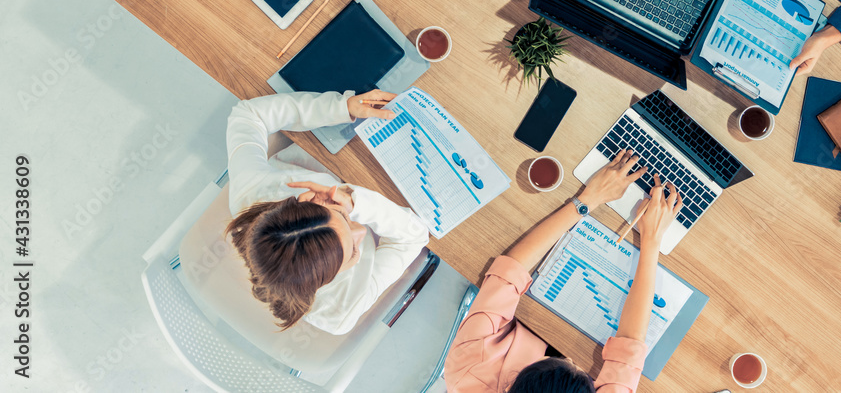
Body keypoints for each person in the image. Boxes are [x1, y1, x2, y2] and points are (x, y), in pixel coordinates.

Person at [444, 150, 683, 392]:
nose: (571, 359)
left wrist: (588, 199)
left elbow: (508, 273)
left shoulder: (467, 373)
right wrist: (652, 240)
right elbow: (629, 348)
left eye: (563, 363)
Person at [225, 89, 430, 334]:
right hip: (390, 197)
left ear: (307, 198)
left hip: (325, 149)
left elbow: (248, 115)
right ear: (331, 279)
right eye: (353, 252)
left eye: (342, 217)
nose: (361, 230)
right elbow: (413, 236)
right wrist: (355, 205)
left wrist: (340, 108)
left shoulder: (251, 194)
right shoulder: (342, 311)